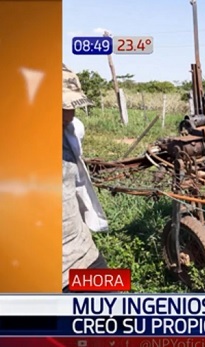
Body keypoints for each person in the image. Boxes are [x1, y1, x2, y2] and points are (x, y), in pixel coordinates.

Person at [62, 64, 110, 292]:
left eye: (71, 106)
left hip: (83, 254)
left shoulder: (71, 131)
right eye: (60, 107)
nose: (69, 115)